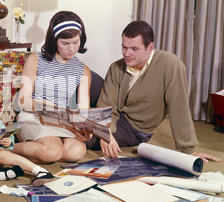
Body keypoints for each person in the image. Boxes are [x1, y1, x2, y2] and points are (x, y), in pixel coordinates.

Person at [87, 20, 222, 163]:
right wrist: (105, 132)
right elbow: (107, 105)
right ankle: (64, 116)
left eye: (134, 49)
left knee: (87, 137)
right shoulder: (116, 67)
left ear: (150, 47)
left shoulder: (170, 65)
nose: (127, 54)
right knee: (84, 74)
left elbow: (179, 107)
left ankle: (68, 134)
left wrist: (189, 150)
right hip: (115, 113)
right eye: (124, 47)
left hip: (134, 128)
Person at [13, 11, 94, 164]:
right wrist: (50, 107)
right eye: (65, 43)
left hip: (63, 121)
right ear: (55, 40)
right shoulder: (36, 59)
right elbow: (23, 101)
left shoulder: (83, 70)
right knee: (53, 151)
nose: (71, 49)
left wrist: (87, 130)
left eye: (76, 42)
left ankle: (41, 151)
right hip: (34, 117)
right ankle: (5, 148)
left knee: (77, 151)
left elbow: (84, 110)